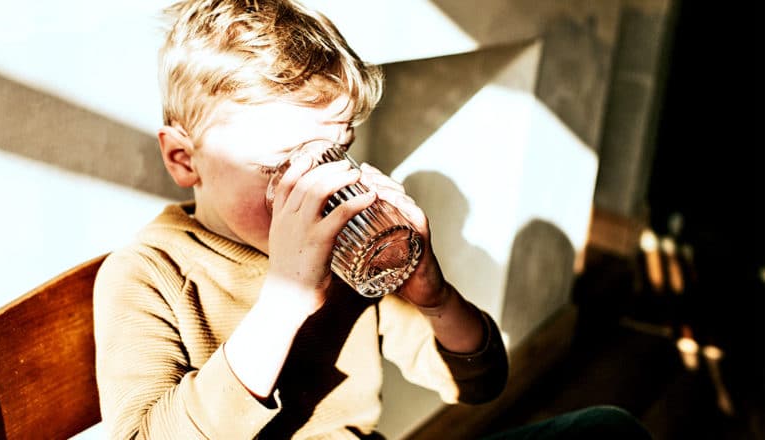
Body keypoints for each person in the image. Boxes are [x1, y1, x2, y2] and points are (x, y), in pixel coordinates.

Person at [92, 0, 651, 439]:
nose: (310, 187)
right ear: (183, 159)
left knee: (607, 429)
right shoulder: (149, 274)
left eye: (332, 155)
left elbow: (479, 382)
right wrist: (284, 301)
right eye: (278, 165)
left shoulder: (342, 252)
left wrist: (433, 297)